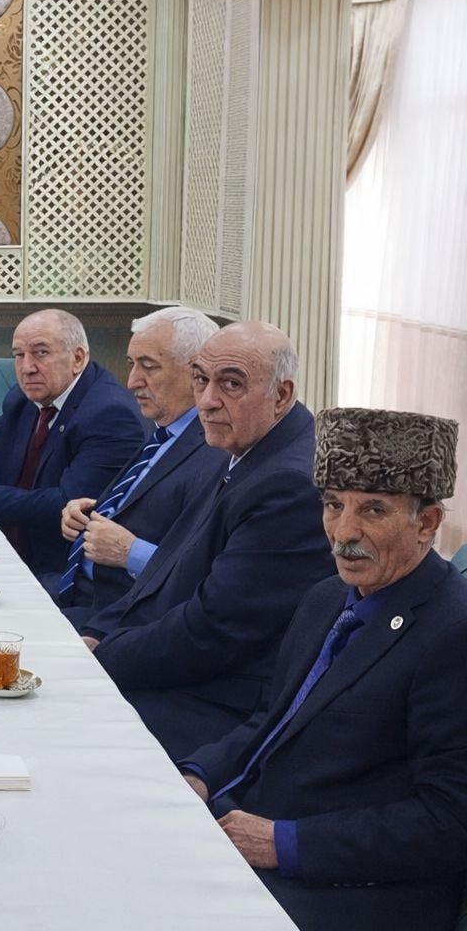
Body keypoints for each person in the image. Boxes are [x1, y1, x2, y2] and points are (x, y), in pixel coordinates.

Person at [182, 407, 467, 931]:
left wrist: (285, 843)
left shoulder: (454, 631)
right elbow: (273, 720)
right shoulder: (326, 598)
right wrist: (200, 774)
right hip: (251, 826)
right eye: (333, 505)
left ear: (426, 523)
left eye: (373, 510)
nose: (343, 532)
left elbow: (449, 822)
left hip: (354, 888)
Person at [79, 321, 334, 757]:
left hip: (224, 703)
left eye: (231, 384)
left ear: (282, 395)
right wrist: (96, 633)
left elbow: (213, 632)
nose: (207, 401)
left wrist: (98, 659)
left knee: (63, 725)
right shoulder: (243, 443)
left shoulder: (287, 485)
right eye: (201, 380)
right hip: (188, 670)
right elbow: (168, 569)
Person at [0, 308, 144, 574]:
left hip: (63, 570)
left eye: (41, 353)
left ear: (77, 358)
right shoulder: (25, 397)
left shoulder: (110, 414)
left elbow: (67, 505)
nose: (27, 368)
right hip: (8, 548)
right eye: (19, 355)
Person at [54, 306, 225, 626]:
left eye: (149, 367)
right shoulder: (164, 432)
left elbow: (199, 571)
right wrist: (92, 509)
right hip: (78, 590)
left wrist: (130, 552)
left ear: (196, 372)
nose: (132, 382)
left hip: (119, 617)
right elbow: (150, 502)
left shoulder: (215, 448)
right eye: (132, 364)